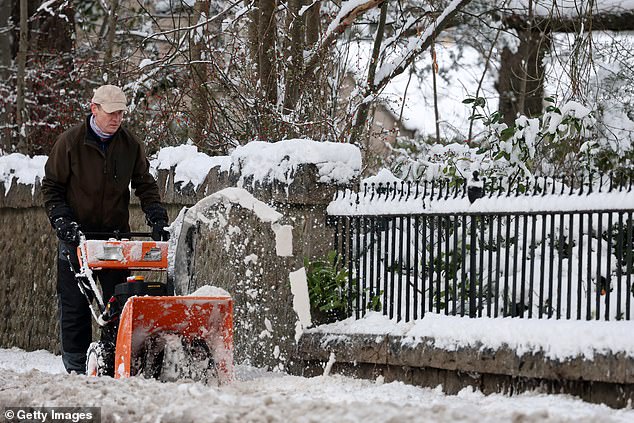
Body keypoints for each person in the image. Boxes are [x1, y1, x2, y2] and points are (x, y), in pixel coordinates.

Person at [42, 84, 170, 374]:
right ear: (94, 109)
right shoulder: (70, 143)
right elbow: (51, 186)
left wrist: (157, 217)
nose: (116, 119)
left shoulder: (128, 145)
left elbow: (144, 184)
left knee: (118, 303)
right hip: (77, 237)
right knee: (75, 305)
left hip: (114, 238)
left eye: (121, 114)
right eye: (111, 113)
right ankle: (75, 366)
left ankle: (113, 360)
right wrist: (62, 220)